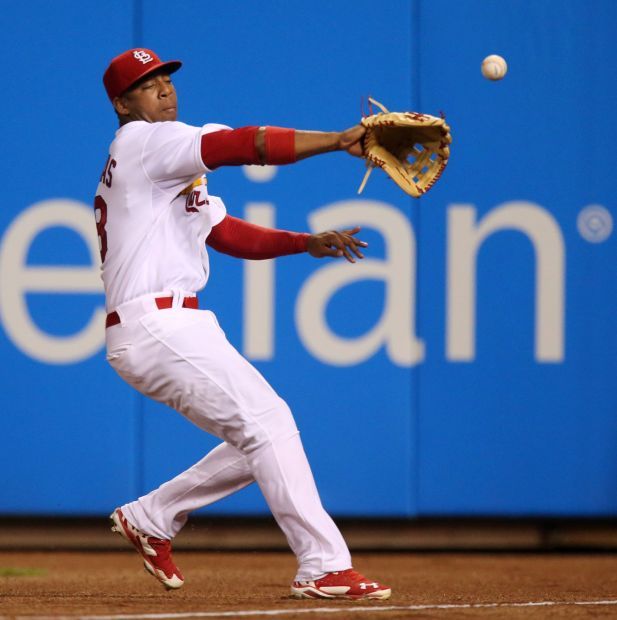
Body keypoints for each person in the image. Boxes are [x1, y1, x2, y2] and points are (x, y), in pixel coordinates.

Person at [98, 48, 390, 600]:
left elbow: (223, 232)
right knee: (268, 424)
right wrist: (336, 140)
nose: (162, 89)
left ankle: (152, 516)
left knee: (260, 430)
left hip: (168, 324)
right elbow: (245, 143)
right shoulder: (146, 142)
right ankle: (323, 566)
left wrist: (304, 242)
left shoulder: (162, 161)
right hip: (156, 324)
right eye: (145, 84)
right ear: (121, 104)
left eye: (165, 77)